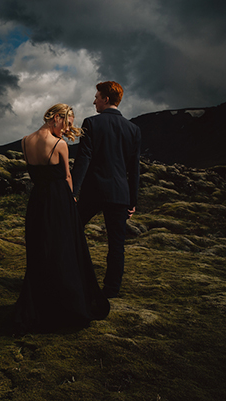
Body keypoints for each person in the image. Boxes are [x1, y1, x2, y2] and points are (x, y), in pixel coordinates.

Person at [14, 103, 110, 334]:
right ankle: (67, 307)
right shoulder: (59, 145)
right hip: (59, 202)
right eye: (66, 124)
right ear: (56, 117)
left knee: (40, 251)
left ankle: (39, 306)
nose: (66, 130)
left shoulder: (25, 141)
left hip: (37, 202)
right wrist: (72, 200)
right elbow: (67, 176)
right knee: (63, 251)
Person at [71, 81, 142, 299]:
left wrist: (72, 191)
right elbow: (134, 168)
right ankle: (111, 291)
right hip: (120, 194)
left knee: (71, 231)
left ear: (106, 99)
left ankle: (72, 279)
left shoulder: (91, 123)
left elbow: (84, 159)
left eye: (97, 97)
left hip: (93, 191)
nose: (94, 101)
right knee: (116, 245)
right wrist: (132, 200)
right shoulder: (133, 129)